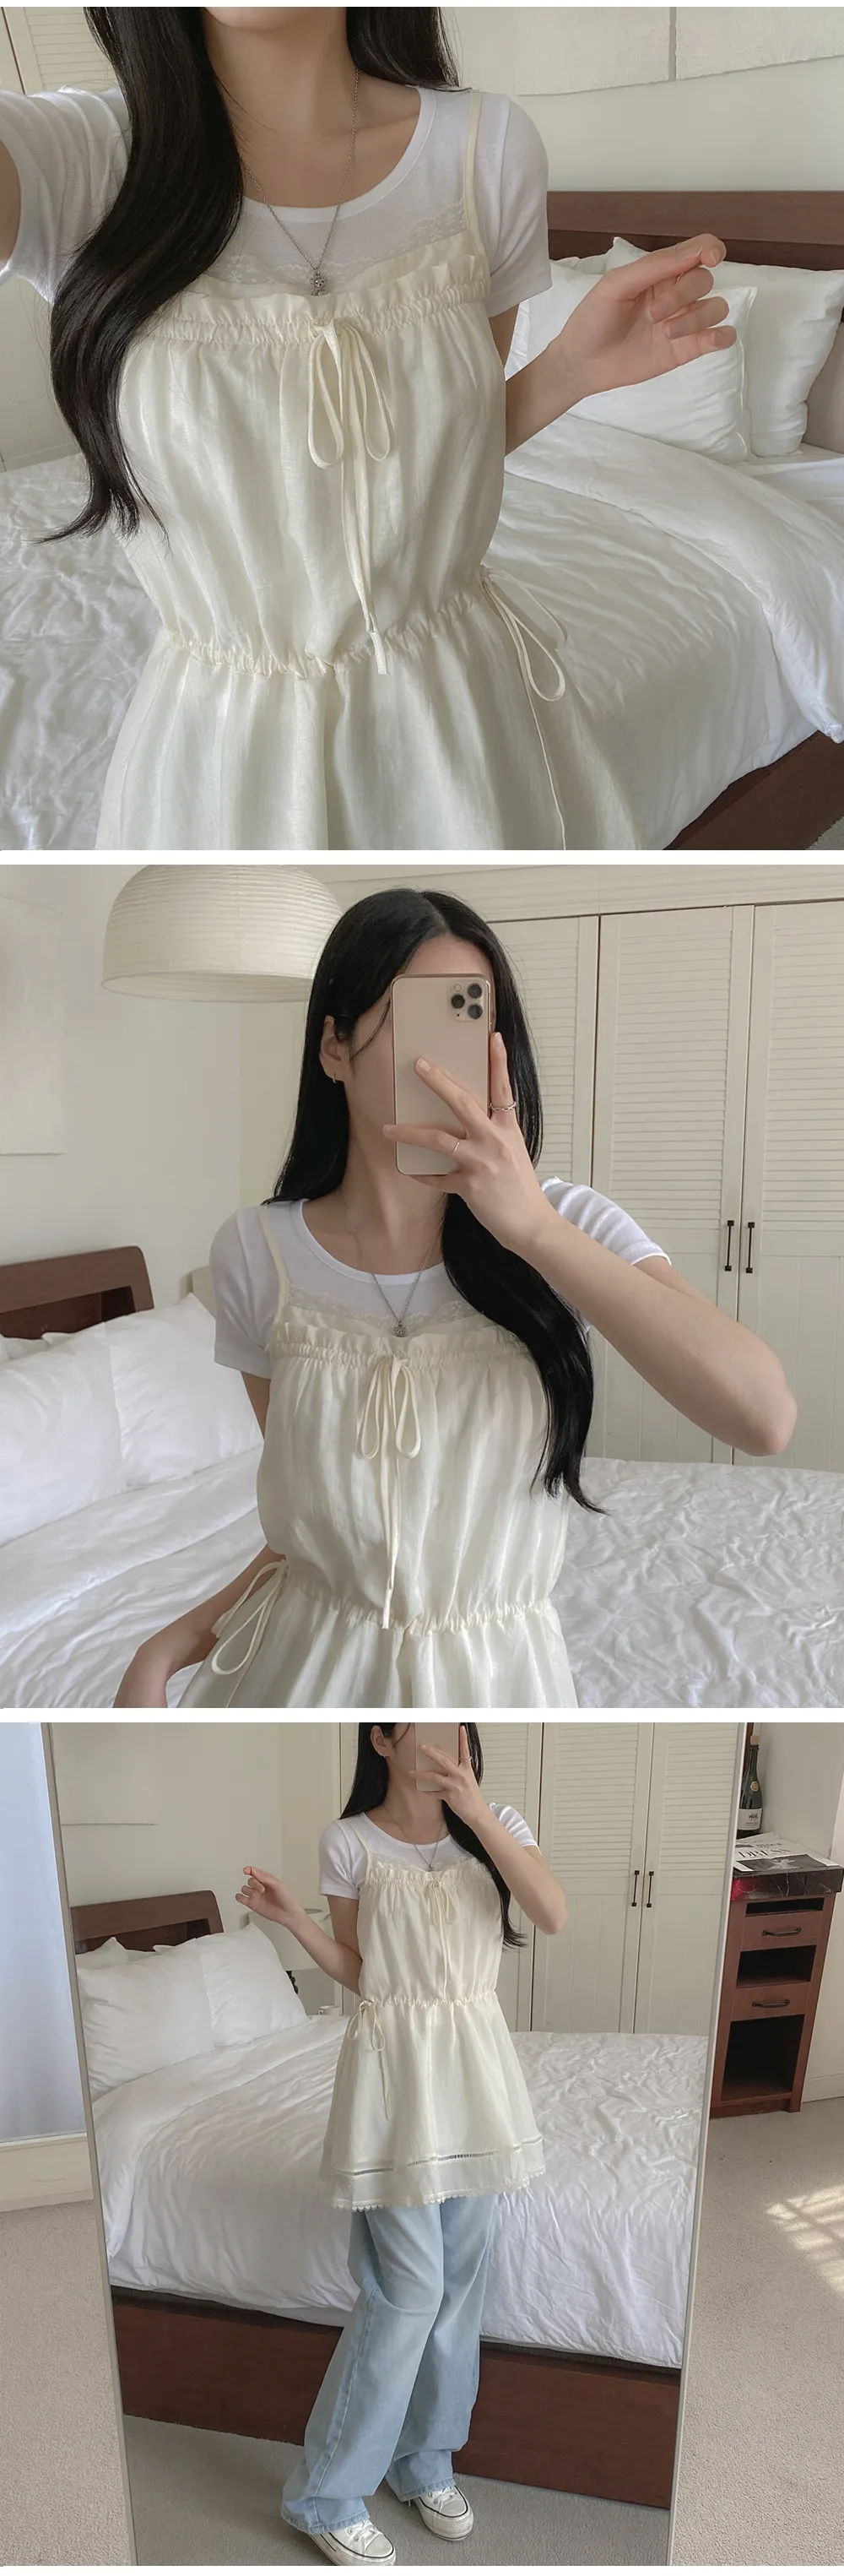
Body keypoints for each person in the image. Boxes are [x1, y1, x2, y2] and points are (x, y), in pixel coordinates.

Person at [0, 8, 737, 853]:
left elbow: (441, 459)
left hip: (458, 716)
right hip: (224, 755)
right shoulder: (76, 161)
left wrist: (568, 368)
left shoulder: (485, 149)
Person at [113, 886, 796, 1711]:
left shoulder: (566, 1225)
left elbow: (763, 1417)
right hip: (305, 1669)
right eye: (416, 1017)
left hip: (496, 1674)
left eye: (468, 1020)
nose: (443, 1061)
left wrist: (533, 1229)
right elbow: (311, 1536)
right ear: (333, 1046)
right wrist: (169, 1645)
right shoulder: (257, 1254)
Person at [236, 1719, 567, 2565]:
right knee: (408, 2291)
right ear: (382, 1739)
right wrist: (293, 1921)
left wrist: (477, 1813)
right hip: (393, 2077)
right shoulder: (348, 1841)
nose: (453, 1732)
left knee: (459, 2287)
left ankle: (424, 2459)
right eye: (428, 1717)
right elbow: (361, 1970)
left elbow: (552, 1914)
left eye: (462, 1718)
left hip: (477, 2078)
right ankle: (323, 2494)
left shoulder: (501, 1822)